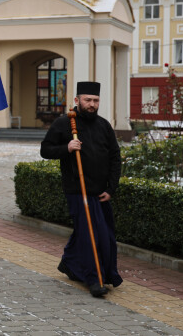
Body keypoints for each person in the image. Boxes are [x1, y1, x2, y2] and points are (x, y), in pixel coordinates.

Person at [40, 81, 123, 298]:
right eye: (88, 100)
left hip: (100, 192)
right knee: (90, 237)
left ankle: (69, 264)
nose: (92, 104)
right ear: (77, 100)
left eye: (95, 100)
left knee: (103, 235)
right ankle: (94, 280)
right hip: (78, 191)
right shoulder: (64, 124)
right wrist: (66, 148)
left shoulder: (104, 125)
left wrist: (111, 188)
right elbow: (45, 150)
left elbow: (115, 157)